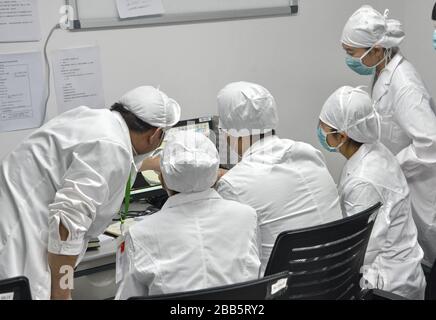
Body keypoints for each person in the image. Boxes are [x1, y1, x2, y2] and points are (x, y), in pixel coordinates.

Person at [0, 86, 181, 300]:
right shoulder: (112, 147)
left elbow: (109, 162)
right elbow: (67, 226)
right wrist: (63, 292)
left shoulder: (96, 121)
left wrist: (162, 164)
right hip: (22, 244)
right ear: (156, 135)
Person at [341, 5, 436, 267]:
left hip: (422, 189)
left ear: (376, 48)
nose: (349, 59)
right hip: (403, 184)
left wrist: (393, 166)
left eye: (352, 53)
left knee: (423, 259)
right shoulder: (383, 70)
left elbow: (430, 143)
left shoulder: (404, 83)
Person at [214, 81, 343, 273]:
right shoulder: (309, 153)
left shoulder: (233, 186)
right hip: (334, 280)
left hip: (281, 290)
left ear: (231, 133)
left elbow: (232, 262)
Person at [115, 131, 260, 299]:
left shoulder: (139, 235)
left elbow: (128, 296)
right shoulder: (247, 217)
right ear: (215, 176)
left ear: (162, 179)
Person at [318, 85, 426, 299]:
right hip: (404, 269)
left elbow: (361, 247)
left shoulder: (363, 180)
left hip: (388, 285)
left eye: (324, 128)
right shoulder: (375, 150)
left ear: (342, 136)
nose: (321, 132)